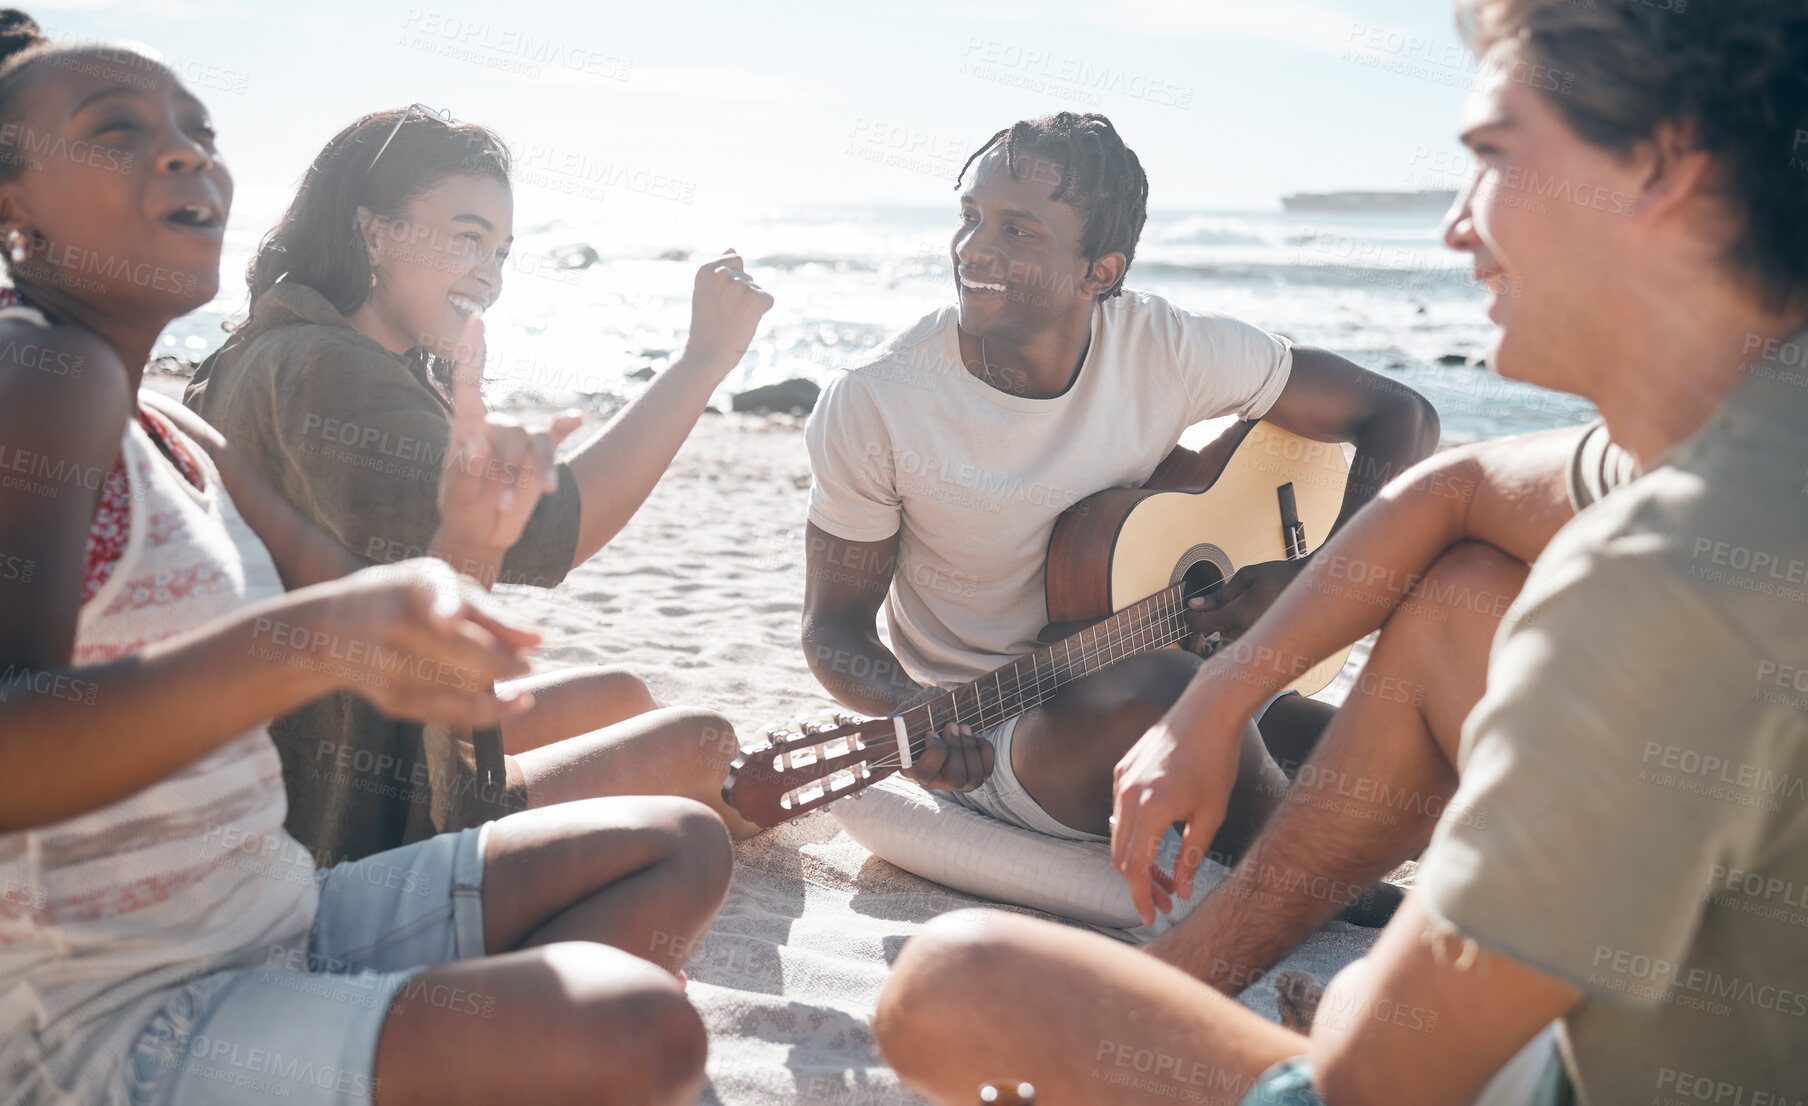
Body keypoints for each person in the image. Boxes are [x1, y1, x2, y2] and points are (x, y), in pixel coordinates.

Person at [875, 0, 1808, 1102]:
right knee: (1460, 590)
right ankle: (1200, 961)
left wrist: (1361, 1019)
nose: (1456, 226)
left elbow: (1373, 1082)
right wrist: (1219, 697)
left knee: (954, 981)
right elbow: (1454, 485)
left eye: (1492, 160)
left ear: (1660, 171)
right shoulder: (1749, 435)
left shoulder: (1648, 584)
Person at [0, 16, 729, 1104]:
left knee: (678, 843)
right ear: (11, 209)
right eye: (118, 129)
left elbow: (414, 657)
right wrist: (306, 647)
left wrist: (466, 538)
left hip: (284, 913)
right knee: (637, 1028)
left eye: (197, 129)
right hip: (115, 1014)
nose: (186, 152)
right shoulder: (41, 371)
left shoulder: (175, 429)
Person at [800, 111, 1438, 881]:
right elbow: (832, 629)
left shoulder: (1163, 348)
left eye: (1018, 231)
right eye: (970, 218)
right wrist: (910, 708)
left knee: (1417, 783)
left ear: (1100, 272)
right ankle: (1316, 878)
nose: (974, 250)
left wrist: (1318, 577)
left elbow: (1401, 414)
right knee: (1164, 685)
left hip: (1180, 672)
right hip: (1004, 731)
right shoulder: (877, 399)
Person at [185, 107, 772, 853]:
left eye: (500, 250)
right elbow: (562, 532)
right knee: (703, 745)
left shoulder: (276, 343)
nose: (490, 275)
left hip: (379, 721)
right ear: (374, 231)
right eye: (468, 238)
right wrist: (705, 360)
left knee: (623, 694)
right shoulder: (328, 372)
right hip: (358, 801)